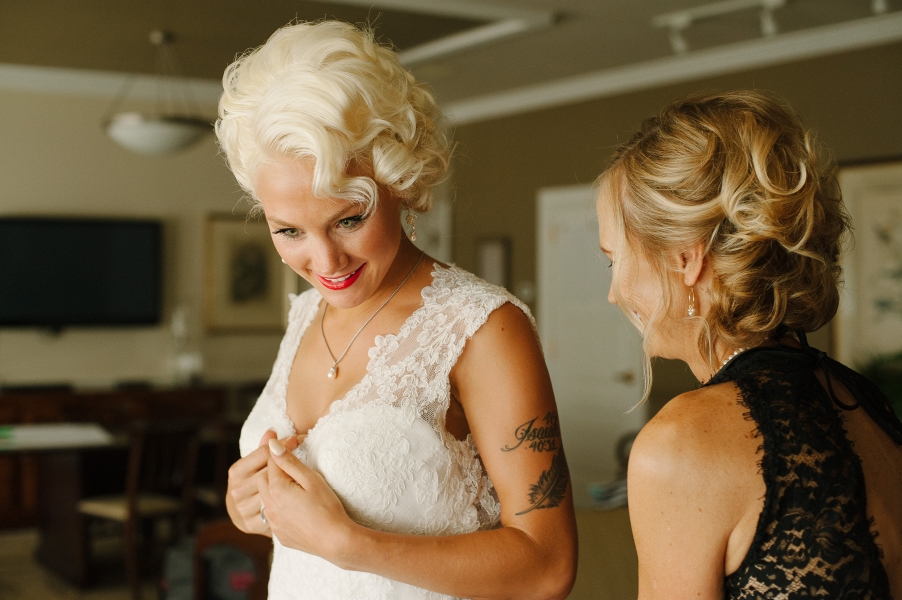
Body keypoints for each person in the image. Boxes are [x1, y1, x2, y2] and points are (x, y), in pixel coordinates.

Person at [216, 21, 577, 600]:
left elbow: (548, 567)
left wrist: (349, 544)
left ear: (400, 184)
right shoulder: (304, 316)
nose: (325, 260)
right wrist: (251, 505)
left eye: (349, 219)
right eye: (289, 231)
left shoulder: (481, 326)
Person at [594, 91, 902, 599]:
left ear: (687, 260)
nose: (613, 293)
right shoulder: (869, 405)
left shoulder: (680, 445)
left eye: (615, 260)